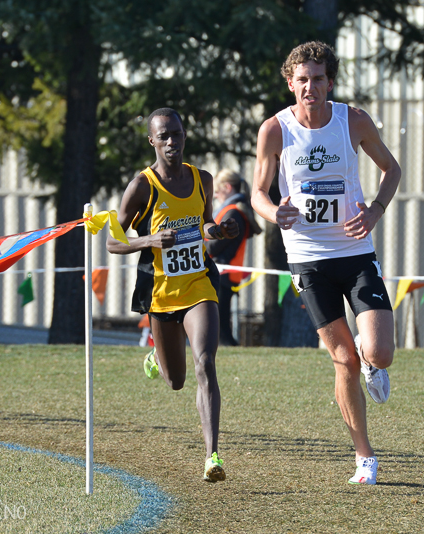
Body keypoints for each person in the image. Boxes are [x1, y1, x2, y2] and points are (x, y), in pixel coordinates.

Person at [250, 41, 401, 485]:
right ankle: (364, 458)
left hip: (354, 254)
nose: (310, 87)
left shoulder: (351, 121)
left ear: (329, 82)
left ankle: (373, 363)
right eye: (302, 80)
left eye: (318, 79)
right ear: (290, 83)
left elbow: (391, 169)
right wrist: (272, 211)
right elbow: (259, 190)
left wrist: (373, 210)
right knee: (342, 359)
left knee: (378, 352)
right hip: (308, 260)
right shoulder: (274, 130)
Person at [106, 107, 239, 482]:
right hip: (161, 294)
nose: (171, 142)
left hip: (198, 285)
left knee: (206, 363)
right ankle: (156, 356)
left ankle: (212, 456)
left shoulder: (202, 179)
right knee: (176, 380)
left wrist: (221, 230)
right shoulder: (142, 186)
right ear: (151, 140)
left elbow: (205, 224)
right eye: (163, 136)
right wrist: (149, 239)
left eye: (176, 134)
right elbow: (114, 242)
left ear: (184, 136)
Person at [206, 169, 262, 346]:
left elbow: (214, 246)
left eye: (216, 191)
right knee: (220, 320)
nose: (215, 196)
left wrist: (198, 240)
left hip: (223, 272)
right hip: (224, 272)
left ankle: (230, 347)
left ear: (227, 187)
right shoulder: (233, 210)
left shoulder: (232, 213)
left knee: (220, 324)